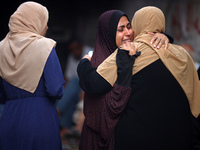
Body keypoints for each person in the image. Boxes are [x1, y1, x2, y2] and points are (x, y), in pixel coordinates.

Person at [95, 6, 200, 149]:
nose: (128, 32)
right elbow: (195, 99)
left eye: (130, 26)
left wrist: (84, 62)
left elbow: (94, 83)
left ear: (137, 24)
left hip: (135, 139)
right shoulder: (183, 55)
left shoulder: (128, 51)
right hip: (179, 138)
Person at [77, 10, 171, 149]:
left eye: (129, 26)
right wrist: (84, 64)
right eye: (121, 29)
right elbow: (107, 102)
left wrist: (162, 36)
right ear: (107, 34)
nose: (128, 33)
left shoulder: (135, 53)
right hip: (98, 140)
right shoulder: (99, 64)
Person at [0, 2, 65, 150]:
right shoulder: (45, 46)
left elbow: (1, 95)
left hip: (9, 119)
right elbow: (56, 90)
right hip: (40, 119)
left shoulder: (1, 48)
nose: (46, 27)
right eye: (44, 21)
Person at [56, 39, 93, 138]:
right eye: (72, 50)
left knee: (75, 81)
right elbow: (67, 78)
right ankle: (65, 127)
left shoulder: (90, 52)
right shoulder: (72, 56)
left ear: (81, 46)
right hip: (77, 90)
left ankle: (57, 110)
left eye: (76, 48)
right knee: (71, 96)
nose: (74, 51)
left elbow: (93, 76)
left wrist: (85, 90)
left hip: (88, 86)